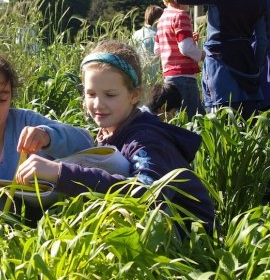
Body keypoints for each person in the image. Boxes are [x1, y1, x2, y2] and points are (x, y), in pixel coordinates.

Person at [15, 41, 215, 233]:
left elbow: (147, 192)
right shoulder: (111, 129)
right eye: (91, 94)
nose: (98, 104)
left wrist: (61, 172)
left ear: (134, 95)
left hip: (189, 238)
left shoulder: (145, 138)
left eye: (110, 95)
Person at [0, 49, 93, 221]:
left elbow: (86, 141)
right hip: (10, 234)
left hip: (62, 218)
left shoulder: (26, 122)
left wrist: (48, 136)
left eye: (2, 99)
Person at [174, 0, 268, 119]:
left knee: (220, 125)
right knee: (248, 126)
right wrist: (254, 69)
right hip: (247, 67)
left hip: (220, 68)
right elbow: (262, 41)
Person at [155, 0, 205, 116]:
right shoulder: (181, 15)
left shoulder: (163, 18)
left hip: (169, 76)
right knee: (193, 117)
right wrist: (205, 56)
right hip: (184, 77)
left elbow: (158, 49)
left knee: (180, 117)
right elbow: (186, 48)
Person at [131, 5, 163, 82]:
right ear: (159, 20)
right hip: (155, 81)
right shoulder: (159, 36)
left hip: (138, 79)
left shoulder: (135, 35)